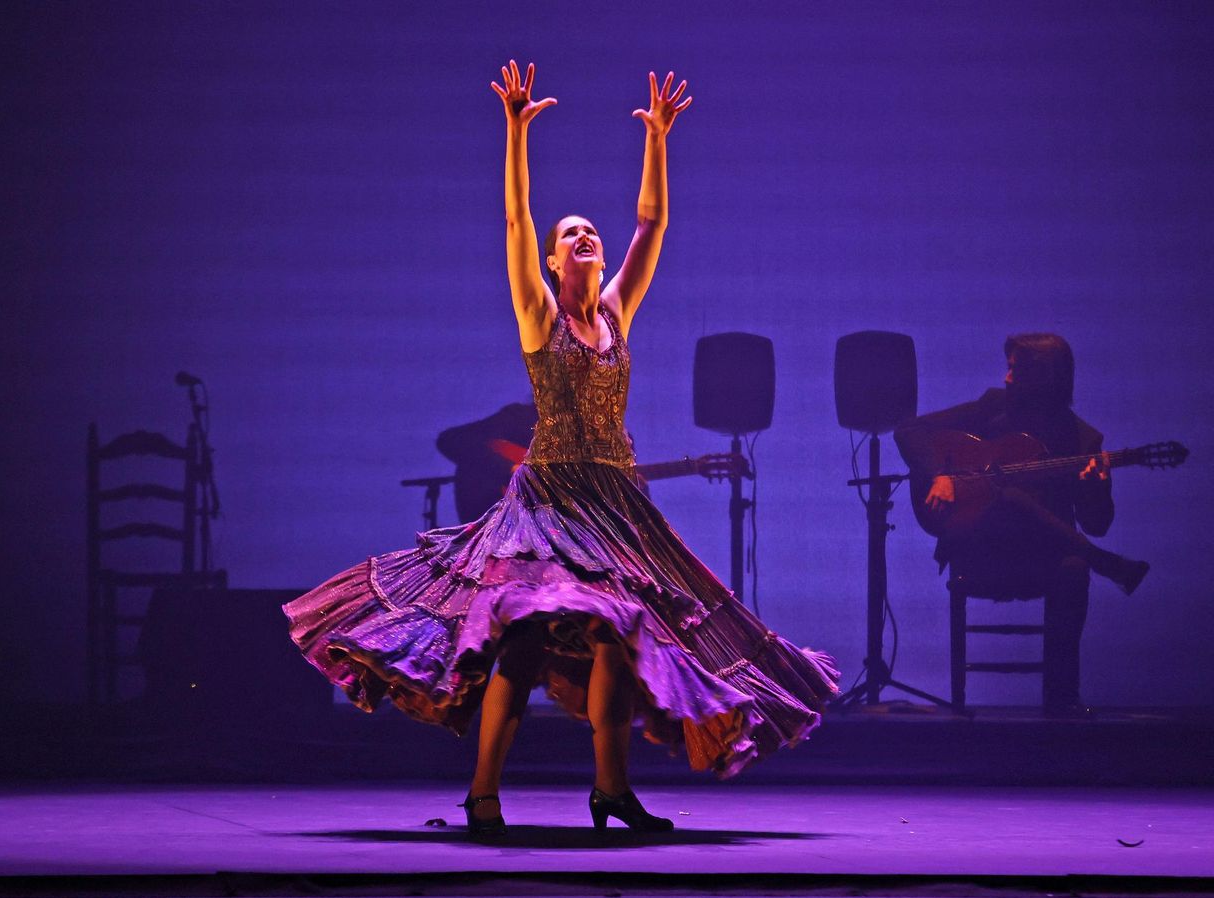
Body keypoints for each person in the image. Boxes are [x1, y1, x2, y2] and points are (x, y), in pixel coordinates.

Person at [283, 61, 838, 837]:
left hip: (613, 506)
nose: (584, 236)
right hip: (547, 503)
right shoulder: (541, 318)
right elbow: (517, 222)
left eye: (590, 232)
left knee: (618, 633)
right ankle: (483, 793)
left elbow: (652, 226)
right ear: (552, 261)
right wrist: (515, 132)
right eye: (570, 233)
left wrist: (658, 139)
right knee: (521, 641)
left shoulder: (615, 313)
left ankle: (611, 789)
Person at [894, 333, 1149, 717]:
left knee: (1073, 568)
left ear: (1042, 377)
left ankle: (1062, 699)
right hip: (980, 545)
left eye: (1016, 370)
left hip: (1041, 556)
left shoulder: (1083, 440)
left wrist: (1096, 486)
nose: (1007, 378)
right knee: (1008, 495)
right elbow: (908, 430)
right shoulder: (991, 407)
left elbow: (1096, 523)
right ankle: (1106, 562)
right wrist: (939, 475)